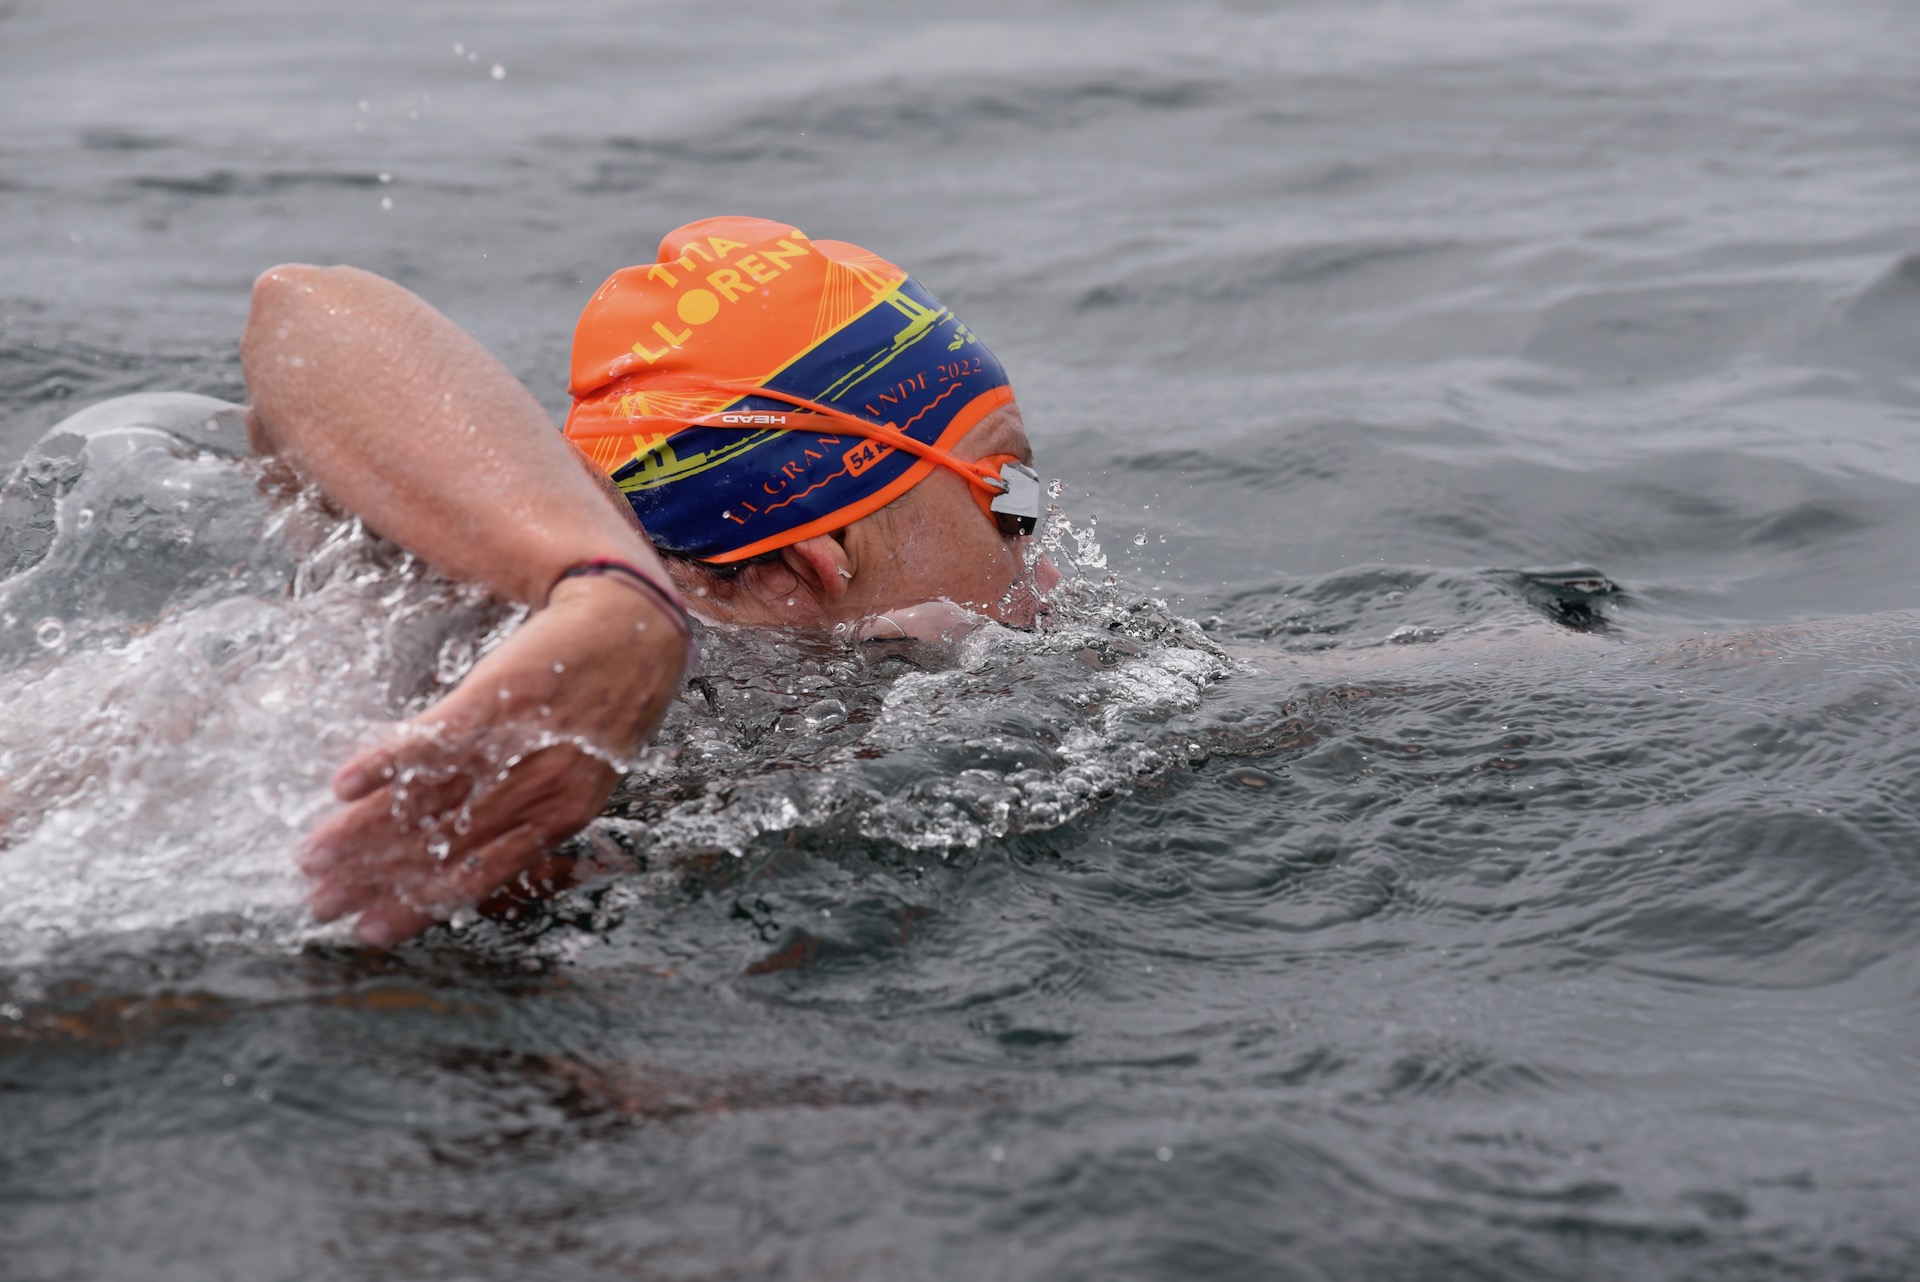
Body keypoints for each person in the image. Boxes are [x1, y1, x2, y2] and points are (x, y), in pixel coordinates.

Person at [239, 216, 1058, 945]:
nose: (1044, 564)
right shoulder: (534, 632)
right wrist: (606, 595)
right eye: (1010, 494)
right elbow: (301, 310)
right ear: (812, 561)